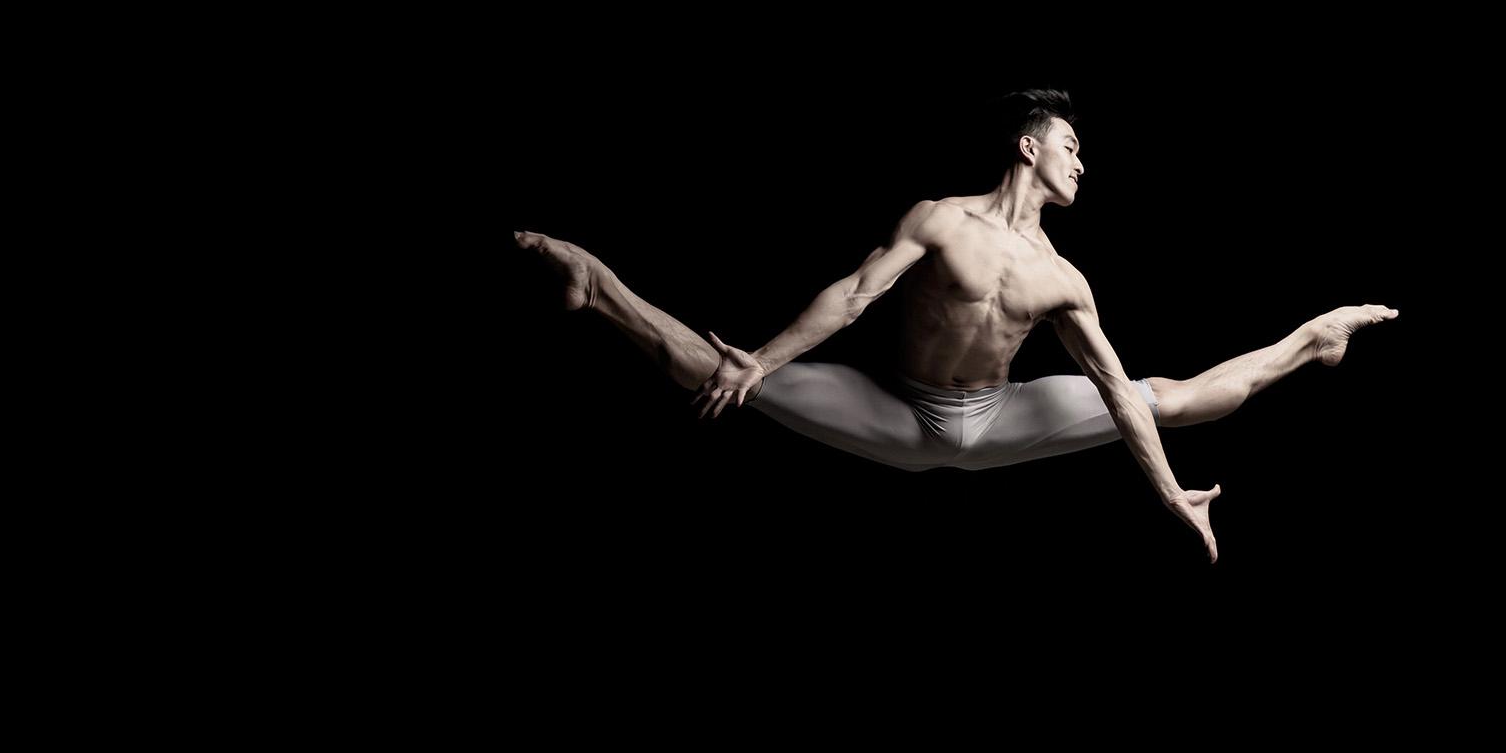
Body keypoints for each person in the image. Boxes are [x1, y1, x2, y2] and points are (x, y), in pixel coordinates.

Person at [513, 89, 1395, 564]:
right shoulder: (939, 221)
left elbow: (1120, 398)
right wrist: (765, 364)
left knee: (1169, 398)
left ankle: (1309, 340)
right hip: (899, 413)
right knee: (717, 374)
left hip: (998, 415)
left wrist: (1167, 494)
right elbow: (854, 294)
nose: (1082, 162)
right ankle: (598, 284)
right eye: (1071, 147)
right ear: (1028, 148)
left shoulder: (1063, 279)